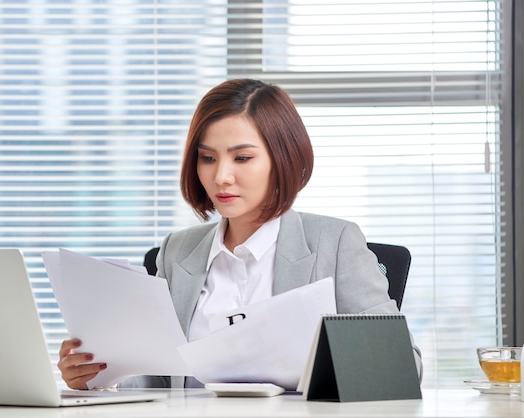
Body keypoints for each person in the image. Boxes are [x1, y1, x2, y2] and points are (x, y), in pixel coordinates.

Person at [57, 78, 423, 390]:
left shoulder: (335, 242)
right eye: (208, 158)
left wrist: (319, 364)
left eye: (242, 158)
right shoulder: (176, 252)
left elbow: (406, 365)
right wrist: (101, 376)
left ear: (283, 158)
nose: (221, 177)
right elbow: (161, 379)